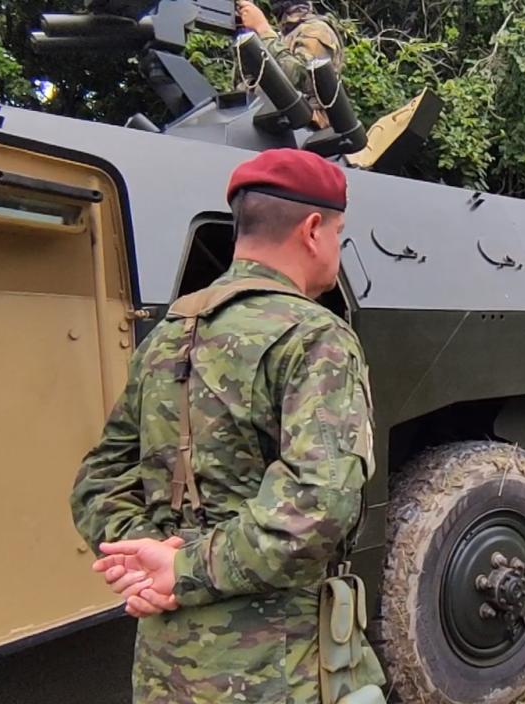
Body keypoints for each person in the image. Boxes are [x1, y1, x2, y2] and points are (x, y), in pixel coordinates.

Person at [70, 148, 384, 702]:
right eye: (339, 231)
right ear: (313, 230)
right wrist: (179, 570)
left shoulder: (167, 335)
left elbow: (98, 479)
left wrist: (147, 560)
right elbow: (317, 509)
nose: (337, 245)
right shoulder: (316, 337)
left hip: (164, 663)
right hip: (274, 665)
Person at [237, 0, 344, 128]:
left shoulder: (317, 30)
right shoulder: (281, 37)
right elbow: (246, 87)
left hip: (305, 131)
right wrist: (245, 40)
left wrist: (263, 29)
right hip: (267, 126)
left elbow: (300, 79)